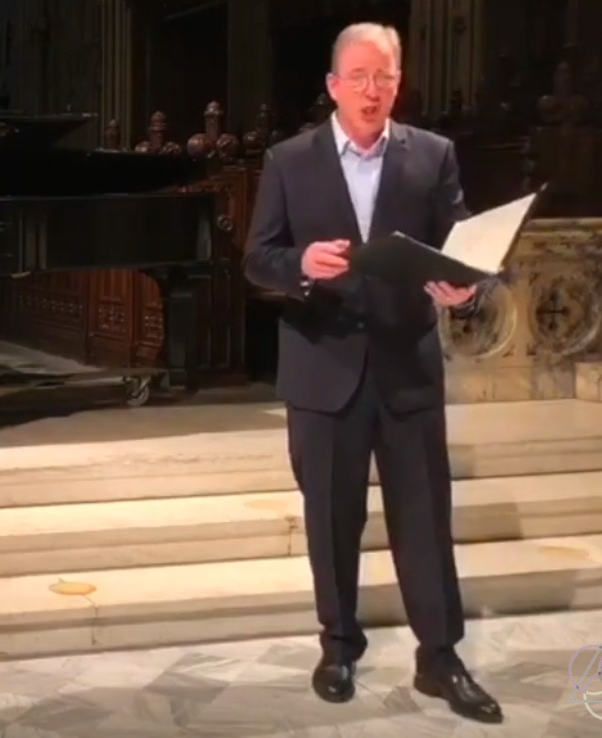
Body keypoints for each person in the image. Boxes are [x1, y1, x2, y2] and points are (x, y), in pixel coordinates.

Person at [242, 23, 501, 724]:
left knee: (425, 519)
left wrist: (464, 289)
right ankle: (338, 646)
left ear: (398, 82)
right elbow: (257, 257)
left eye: (384, 75)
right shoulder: (289, 160)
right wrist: (299, 266)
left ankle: (440, 657)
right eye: (358, 76)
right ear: (333, 86)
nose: (372, 88)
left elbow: (464, 247)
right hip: (322, 368)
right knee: (332, 520)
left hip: (406, 367)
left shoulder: (433, 155)